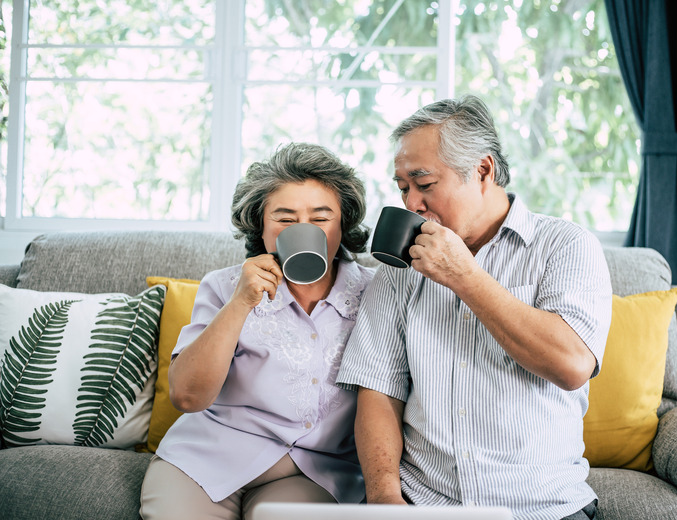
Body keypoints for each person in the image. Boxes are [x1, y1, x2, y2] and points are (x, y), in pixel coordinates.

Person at [336, 95, 612, 520]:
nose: (411, 203)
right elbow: (378, 390)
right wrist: (386, 503)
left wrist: (465, 278)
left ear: (483, 170)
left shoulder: (566, 246)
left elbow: (572, 364)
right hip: (424, 503)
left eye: (424, 184)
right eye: (403, 187)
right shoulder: (399, 264)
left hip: (543, 508)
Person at [140, 143, 375, 519]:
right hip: (207, 456)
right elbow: (186, 396)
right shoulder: (225, 286)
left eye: (320, 218)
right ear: (261, 228)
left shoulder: (376, 294)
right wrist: (240, 304)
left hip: (314, 469)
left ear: (342, 225)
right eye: (284, 218)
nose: (303, 230)